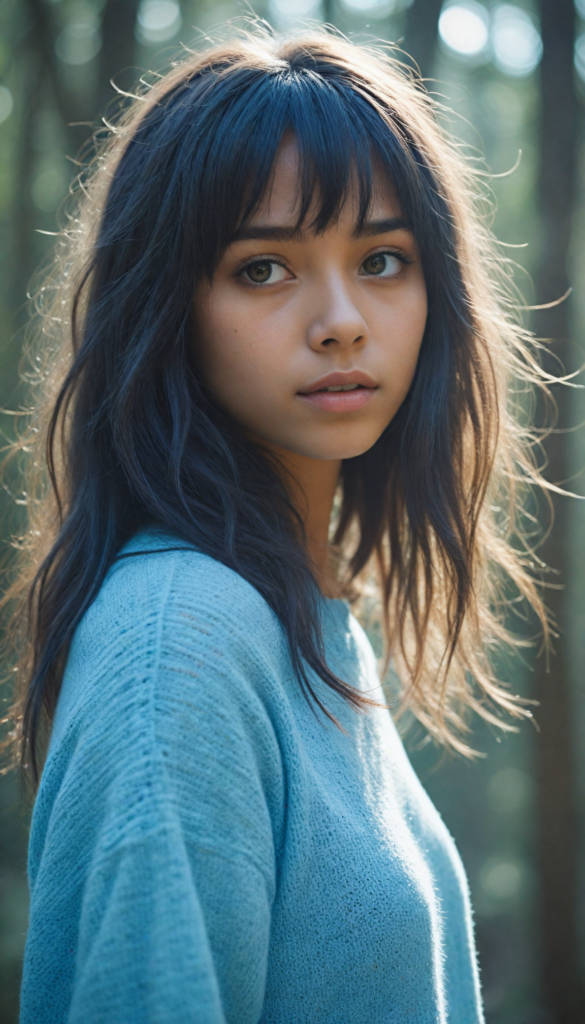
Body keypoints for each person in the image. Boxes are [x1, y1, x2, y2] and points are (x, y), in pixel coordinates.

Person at [5, 25, 548, 1024]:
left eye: (383, 258)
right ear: (168, 306)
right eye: (264, 268)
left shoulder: (299, 612)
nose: (342, 316)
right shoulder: (181, 647)